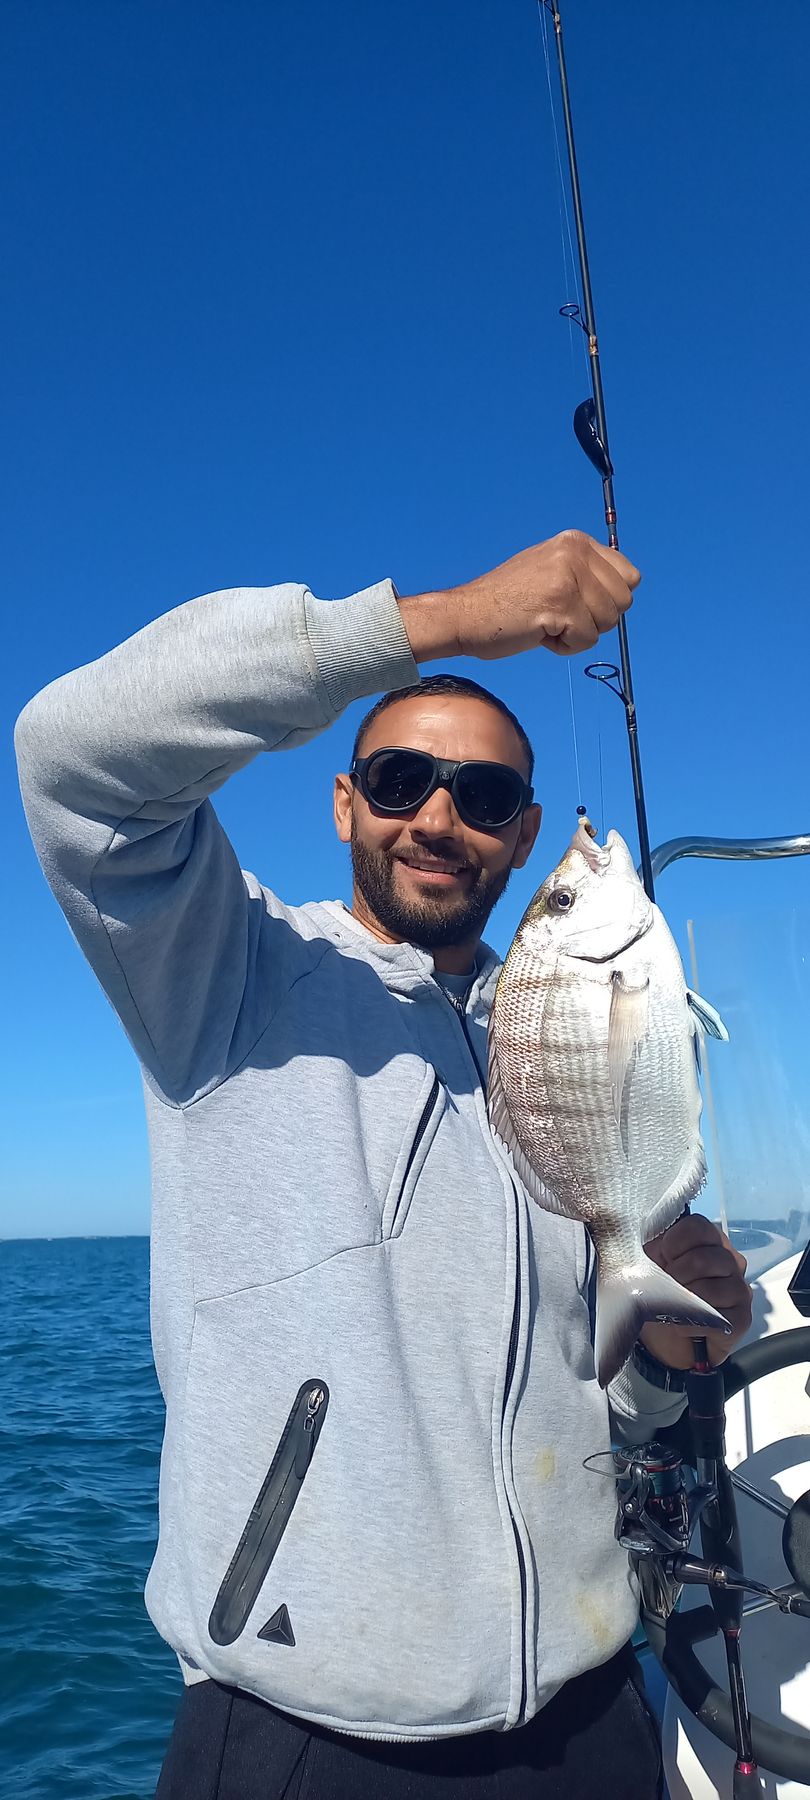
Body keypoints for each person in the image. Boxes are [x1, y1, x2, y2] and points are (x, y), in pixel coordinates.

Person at [15, 529, 752, 1800]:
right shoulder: (227, 977)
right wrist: (449, 621)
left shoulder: (555, 1042)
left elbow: (591, 1385)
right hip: (306, 1734)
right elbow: (71, 755)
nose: (439, 817)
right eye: (403, 777)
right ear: (344, 801)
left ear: (524, 839)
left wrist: (671, 1363)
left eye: (485, 799)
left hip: (587, 1716)